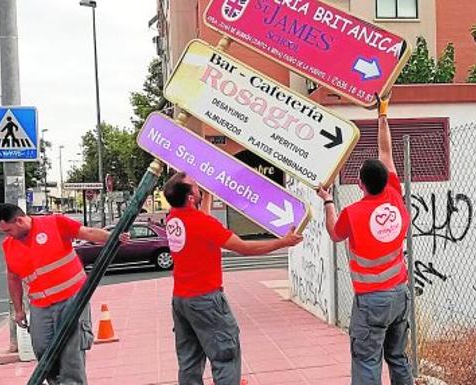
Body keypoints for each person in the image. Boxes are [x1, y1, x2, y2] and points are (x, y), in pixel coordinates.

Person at [163, 172, 303, 385]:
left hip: (181, 301)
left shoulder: (173, 219)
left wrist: (207, 195)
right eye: (194, 185)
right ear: (190, 198)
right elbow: (244, 248)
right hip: (206, 301)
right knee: (225, 357)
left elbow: (202, 220)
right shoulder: (203, 224)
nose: (198, 186)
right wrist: (283, 243)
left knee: (189, 361)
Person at [316, 94, 413, 385]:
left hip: (372, 301)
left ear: (360, 183)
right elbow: (387, 152)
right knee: (397, 358)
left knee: (367, 362)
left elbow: (334, 233)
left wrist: (328, 201)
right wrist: (382, 114)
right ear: (385, 180)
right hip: (400, 294)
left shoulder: (354, 214)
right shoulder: (394, 196)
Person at [0, 203, 119, 385]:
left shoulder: (54, 223)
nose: (7, 235)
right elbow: (13, 278)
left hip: (72, 299)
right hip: (40, 306)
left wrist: (115, 238)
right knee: (43, 351)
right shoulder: (9, 246)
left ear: (19, 221)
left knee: (70, 352)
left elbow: (88, 233)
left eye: (8, 230)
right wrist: (19, 310)